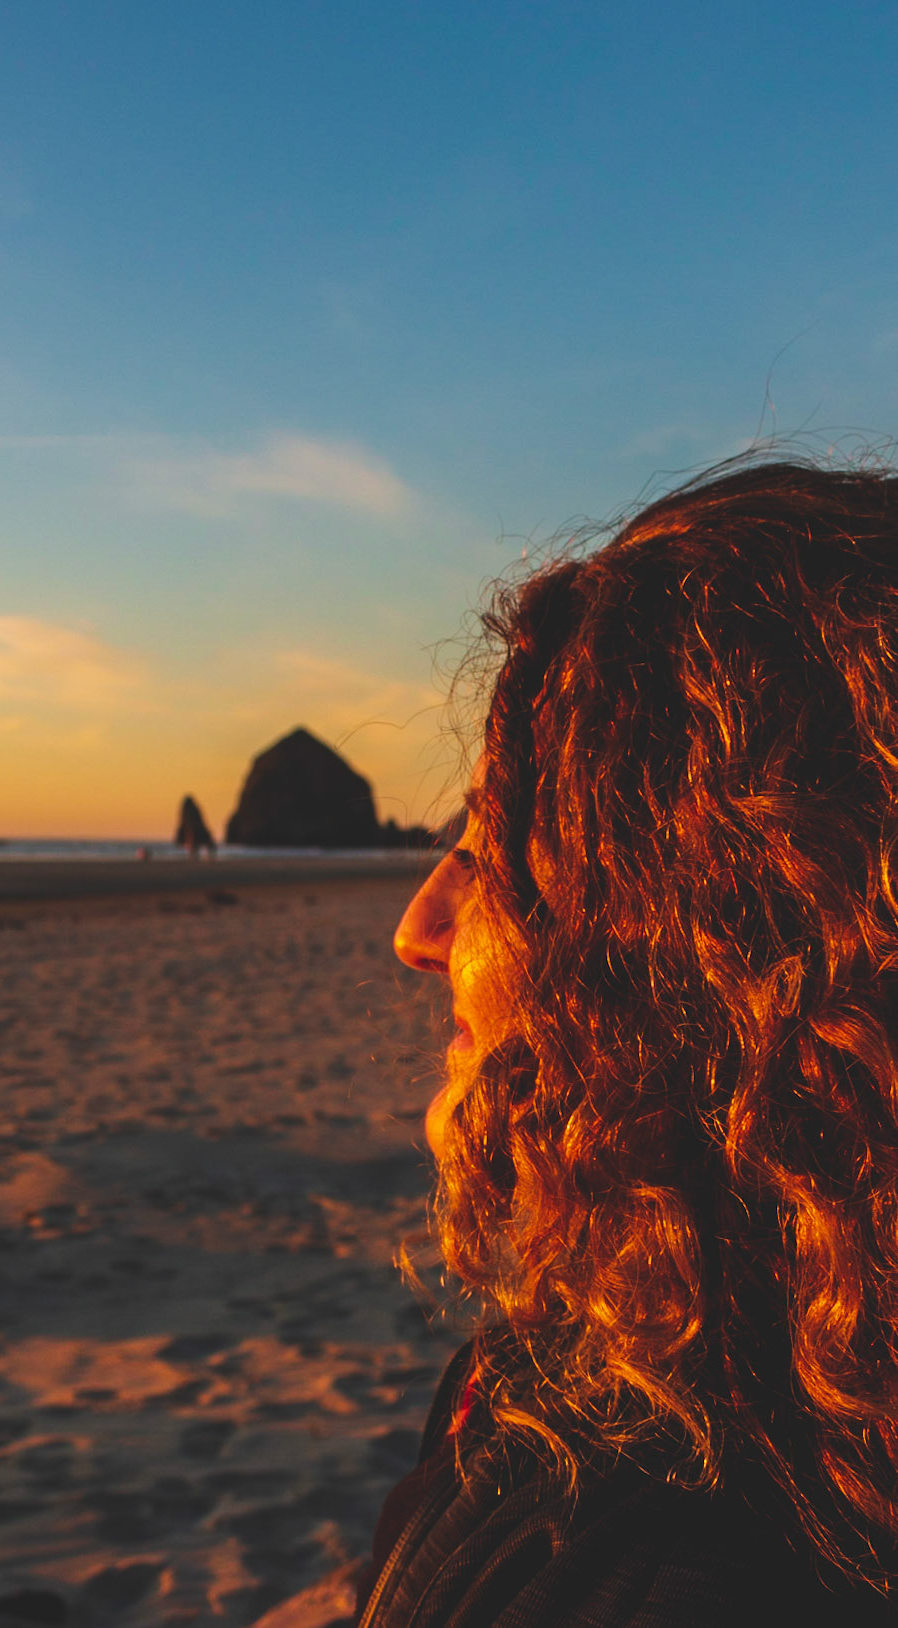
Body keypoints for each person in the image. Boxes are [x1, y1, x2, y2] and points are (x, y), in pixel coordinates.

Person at [289, 457, 898, 1625]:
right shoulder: (600, 1347)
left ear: (682, 937)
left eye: (492, 853)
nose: (418, 928)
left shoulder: (660, 1548)